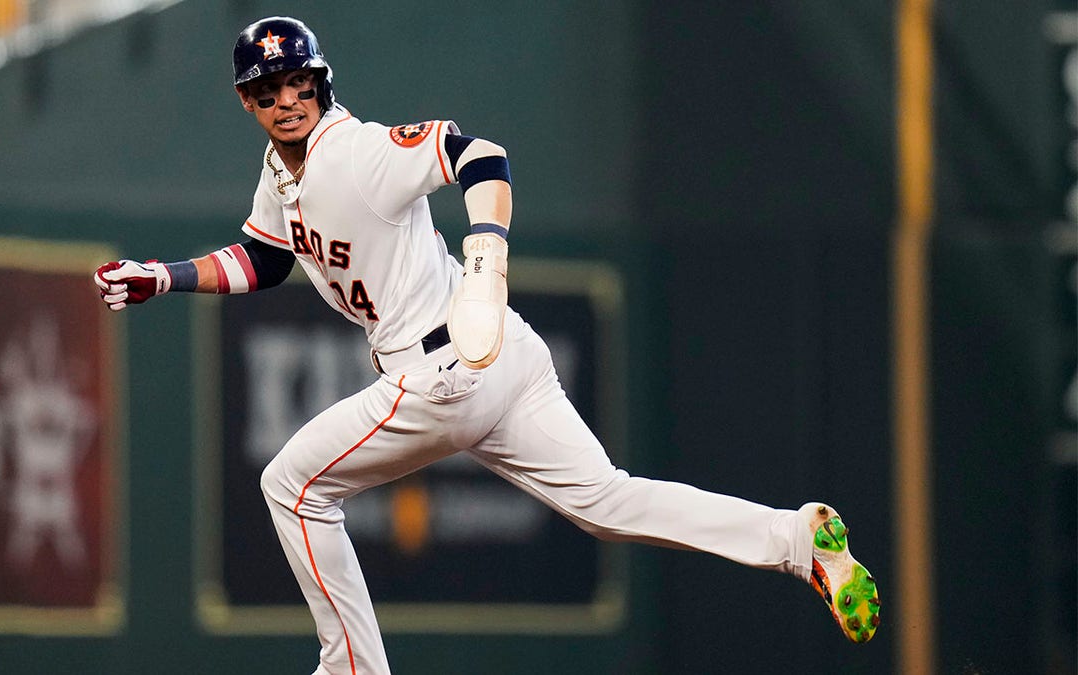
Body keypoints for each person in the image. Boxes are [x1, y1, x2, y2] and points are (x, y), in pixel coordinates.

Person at [93, 16, 880, 674]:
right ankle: (795, 536)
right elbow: (265, 258)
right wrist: (165, 276)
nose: (287, 99)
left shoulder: (356, 153)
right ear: (249, 103)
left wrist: (488, 254)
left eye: (299, 82)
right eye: (269, 91)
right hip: (498, 360)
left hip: (443, 371)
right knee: (608, 500)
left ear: (322, 83)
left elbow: (482, 156)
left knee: (291, 487)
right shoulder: (281, 170)